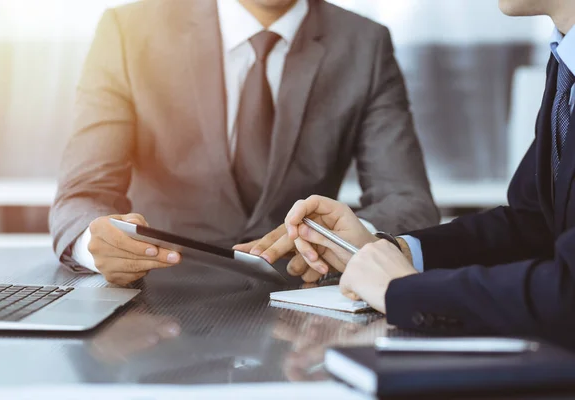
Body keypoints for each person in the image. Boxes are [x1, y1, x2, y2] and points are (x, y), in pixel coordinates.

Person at [250, 0, 575, 346]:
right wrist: (392, 251)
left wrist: (407, 291)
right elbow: (533, 225)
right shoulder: (565, 59)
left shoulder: (361, 41)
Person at [49, 0, 439, 285]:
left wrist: (343, 241)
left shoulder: (364, 43)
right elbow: (82, 194)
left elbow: (408, 200)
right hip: (158, 302)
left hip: (303, 306)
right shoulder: (128, 31)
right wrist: (95, 245)